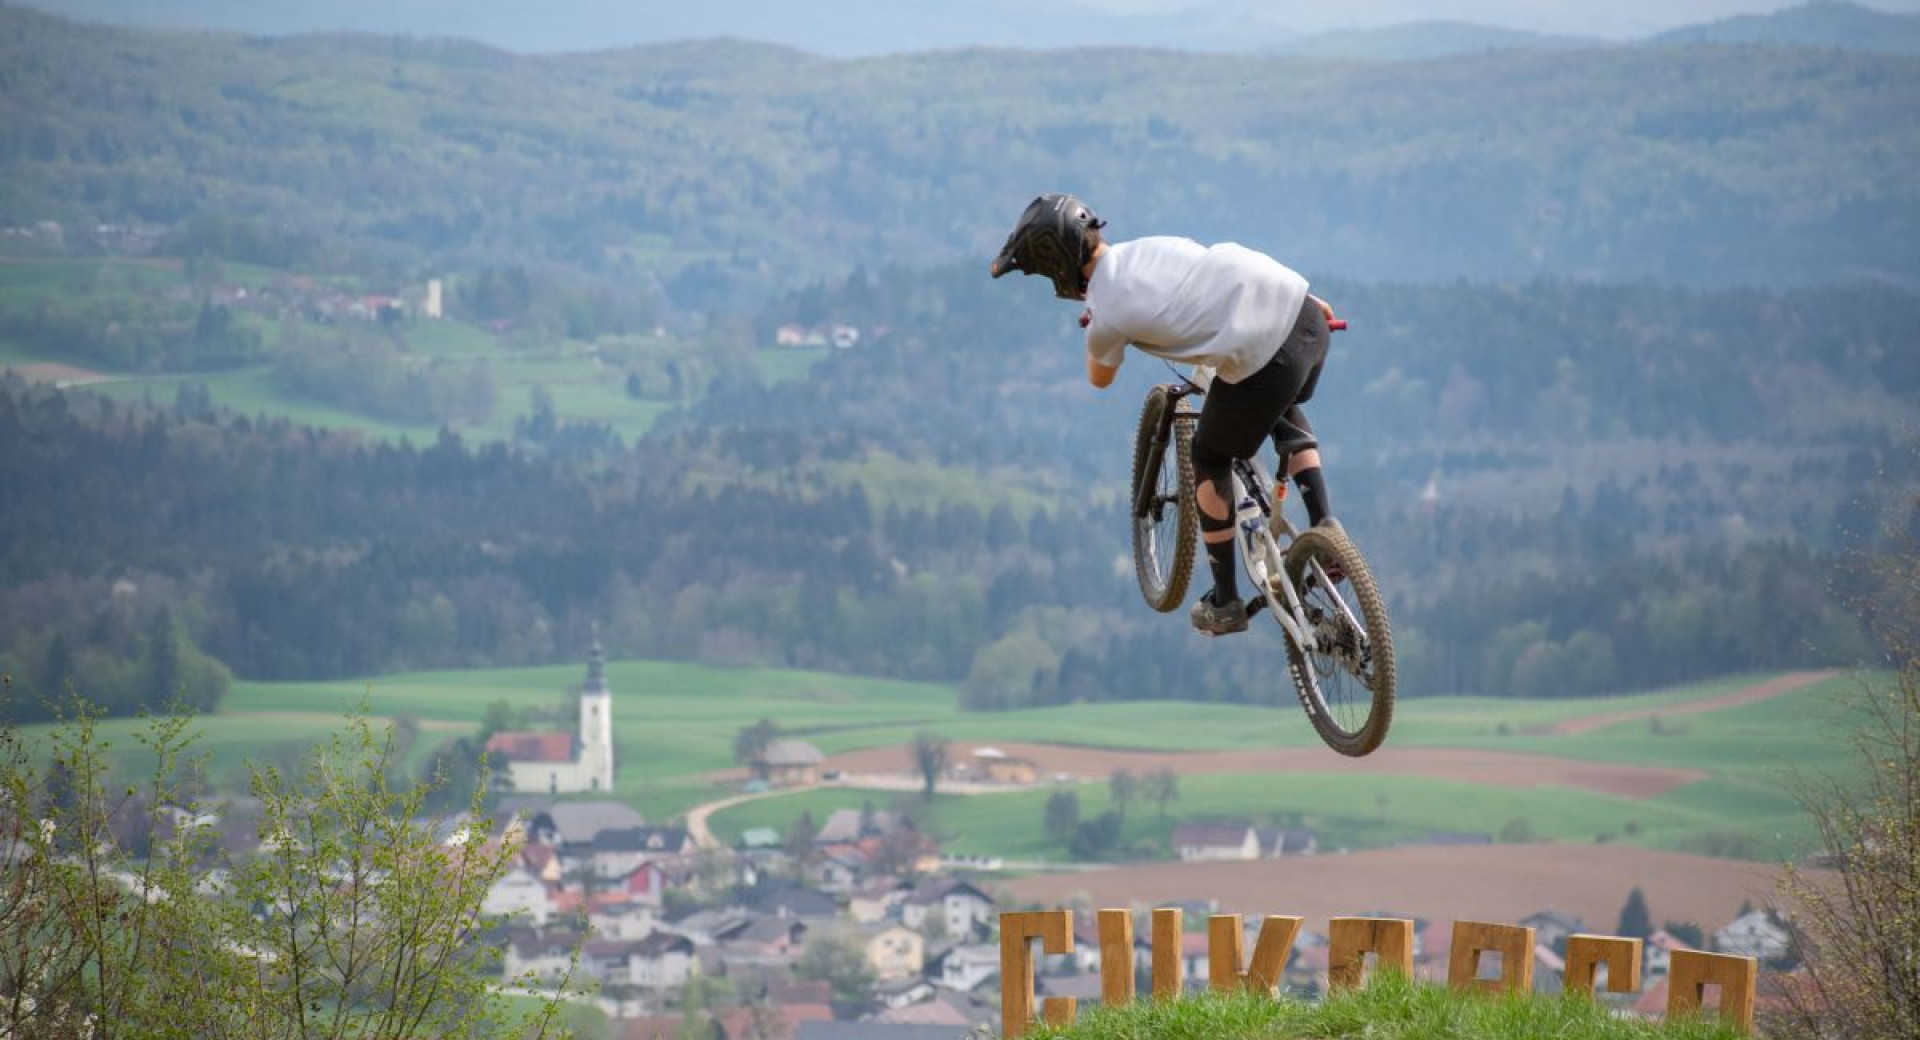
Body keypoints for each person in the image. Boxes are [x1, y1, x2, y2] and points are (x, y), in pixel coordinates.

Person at [990, 192, 1339, 636]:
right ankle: (1327, 528)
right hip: (1306, 313)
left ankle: (1226, 601)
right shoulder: (1148, 248)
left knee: (1208, 455)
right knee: (1278, 401)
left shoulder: (1107, 311)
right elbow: (1223, 270)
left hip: (1270, 359)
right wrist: (1301, 297)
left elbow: (1100, 377)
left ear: (1056, 264)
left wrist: (1095, 328)